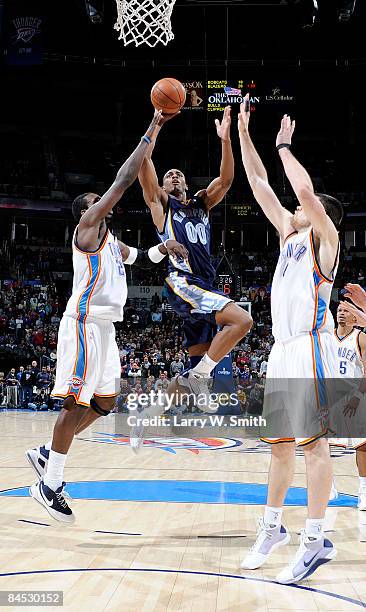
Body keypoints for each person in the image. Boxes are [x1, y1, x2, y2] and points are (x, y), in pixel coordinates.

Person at [27, 111, 188, 524]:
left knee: (104, 402)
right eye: (93, 202)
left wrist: (165, 247)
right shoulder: (87, 231)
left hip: (106, 330)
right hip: (83, 325)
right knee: (72, 402)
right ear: (87, 212)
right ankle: (50, 483)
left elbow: (142, 257)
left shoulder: (113, 243)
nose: (102, 204)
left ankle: (48, 453)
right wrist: (152, 127)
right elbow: (122, 182)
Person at [238, 96, 343, 584]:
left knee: (313, 447)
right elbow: (259, 184)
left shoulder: (325, 242)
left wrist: (283, 145)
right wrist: (241, 134)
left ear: (320, 215)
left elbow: (301, 188)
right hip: (280, 351)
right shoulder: (287, 236)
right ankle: (273, 526)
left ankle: (317, 536)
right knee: (280, 447)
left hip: (311, 349)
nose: (296, 208)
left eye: (305, 208)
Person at [137, 106, 252, 406]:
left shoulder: (201, 203)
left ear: (187, 185)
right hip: (184, 282)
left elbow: (225, 181)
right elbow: (143, 160)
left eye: (179, 175)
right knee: (243, 321)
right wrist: (156, 124)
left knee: (196, 364)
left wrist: (225, 140)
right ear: (162, 186)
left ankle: (150, 416)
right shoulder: (161, 207)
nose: (174, 176)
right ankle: (199, 377)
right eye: (169, 175)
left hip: (206, 284)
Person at [330, 302, 366, 510]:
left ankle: (363, 491)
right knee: (322, 445)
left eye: (346, 312)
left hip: (355, 397)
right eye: (339, 311)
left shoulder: (360, 337)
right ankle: (329, 487)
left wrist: (357, 398)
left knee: (362, 444)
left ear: (355, 317)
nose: (342, 314)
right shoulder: (327, 337)